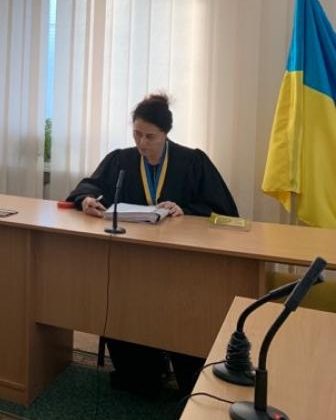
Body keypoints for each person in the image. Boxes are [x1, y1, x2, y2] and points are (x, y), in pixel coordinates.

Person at [66, 93, 239, 396]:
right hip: (130, 261)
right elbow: (89, 186)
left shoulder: (192, 161)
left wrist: (186, 209)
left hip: (181, 267)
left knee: (184, 318)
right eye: (137, 134)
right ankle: (141, 371)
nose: (142, 143)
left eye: (150, 137)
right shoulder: (121, 159)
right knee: (131, 341)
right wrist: (87, 199)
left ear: (165, 133)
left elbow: (224, 211)